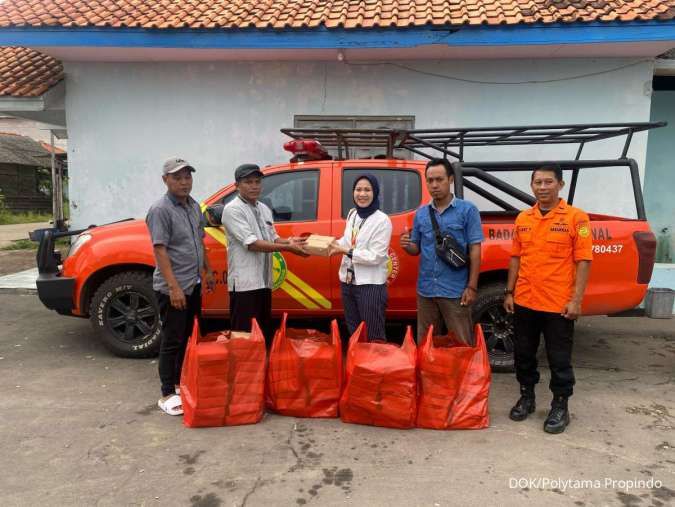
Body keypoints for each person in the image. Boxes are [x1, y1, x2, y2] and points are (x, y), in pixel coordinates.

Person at [503, 165, 592, 434]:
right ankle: (527, 396)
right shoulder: (523, 218)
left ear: (560, 185)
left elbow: (584, 261)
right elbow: (516, 257)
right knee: (523, 354)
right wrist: (510, 292)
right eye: (537, 183)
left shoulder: (577, 218)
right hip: (526, 300)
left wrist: (576, 300)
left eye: (548, 182)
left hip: (558, 304)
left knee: (559, 358)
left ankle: (560, 405)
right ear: (532, 186)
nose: (542, 187)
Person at [146, 157, 215, 416]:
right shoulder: (160, 209)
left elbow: (200, 240)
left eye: (187, 177)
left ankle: (179, 382)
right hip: (173, 288)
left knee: (188, 335)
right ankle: (166, 393)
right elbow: (160, 250)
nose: (184, 182)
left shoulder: (193, 206)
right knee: (172, 339)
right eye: (178, 177)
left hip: (193, 282)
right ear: (166, 180)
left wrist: (207, 270)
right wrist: (174, 288)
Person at [400, 158, 483, 344]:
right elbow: (416, 249)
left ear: (451, 179)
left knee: (461, 342)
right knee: (426, 343)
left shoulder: (467, 210)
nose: (434, 185)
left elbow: (475, 249)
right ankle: (430, 374)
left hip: (455, 290)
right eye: (430, 180)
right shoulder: (421, 213)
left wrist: (471, 287)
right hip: (426, 290)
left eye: (439, 179)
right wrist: (407, 245)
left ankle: (461, 373)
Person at [221, 164, 307, 342]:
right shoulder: (233, 210)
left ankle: (260, 369)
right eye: (248, 182)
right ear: (237, 185)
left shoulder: (264, 209)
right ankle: (244, 370)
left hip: (264, 282)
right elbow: (251, 244)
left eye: (257, 182)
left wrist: (291, 241)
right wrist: (288, 248)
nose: (254, 186)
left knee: (262, 333)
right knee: (244, 337)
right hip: (245, 285)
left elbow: (273, 237)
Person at [330, 174, 392, 341]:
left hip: (370, 285)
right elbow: (347, 240)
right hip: (348, 282)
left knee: (373, 333)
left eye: (367, 190)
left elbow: (376, 256)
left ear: (375, 192)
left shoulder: (382, 220)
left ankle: (375, 365)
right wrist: (328, 244)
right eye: (358, 189)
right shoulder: (353, 214)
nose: (362, 194)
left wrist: (345, 250)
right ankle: (357, 364)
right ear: (353, 192)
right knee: (355, 331)